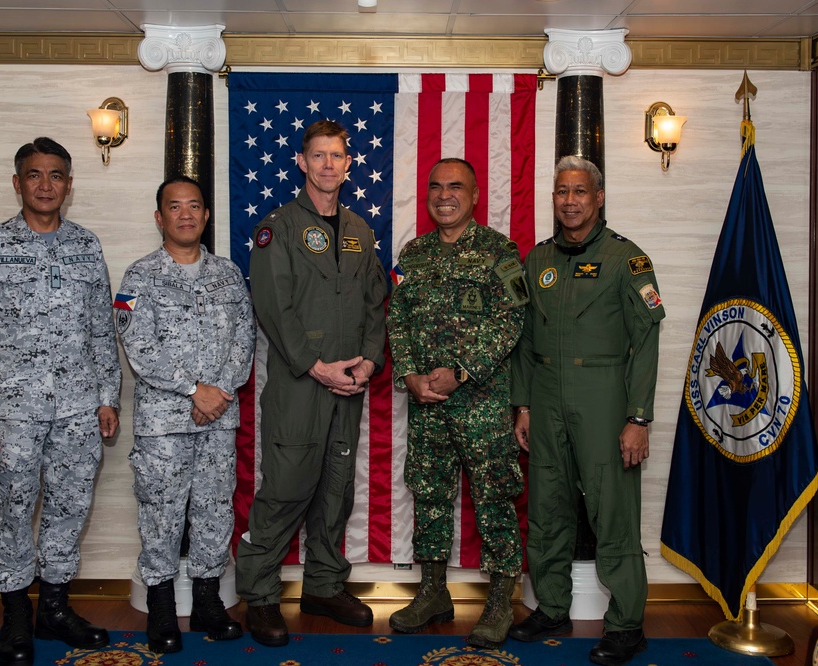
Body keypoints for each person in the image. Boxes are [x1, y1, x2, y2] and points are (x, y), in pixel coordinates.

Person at [0, 137, 121, 666]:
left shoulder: (86, 246)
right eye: (34, 175)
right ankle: (16, 618)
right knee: (15, 509)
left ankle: (53, 608)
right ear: (17, 182)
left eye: (55, 176)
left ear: (69, 185)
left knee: (70, 509)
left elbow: (101, 330)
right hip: (13, 411)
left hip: (77, 408)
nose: (45, 185)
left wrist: (107, 397)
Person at [236, 119, 387, 647]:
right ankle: (259, 595)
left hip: (349, 384)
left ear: (349, 165)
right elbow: (273, 309)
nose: (327, 164)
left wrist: (368, 362)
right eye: (318, 155)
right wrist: (317, 366)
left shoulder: (360, 230)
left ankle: (324, 585)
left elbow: (375, 304)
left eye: (336, 156)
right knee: (285, 491)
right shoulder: (276, 228)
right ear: (301, 162)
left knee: (335, 492)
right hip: (301, 385)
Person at [510, 155, 665, 666]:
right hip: (547, 397)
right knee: (548, 509)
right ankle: (552, 606)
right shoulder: (538, 260)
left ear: (599, 198)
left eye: (580, 191)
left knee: (612, 513)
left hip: (604, 399)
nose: (570, 200)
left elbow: (646, 342)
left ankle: (626, 624)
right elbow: (526, 339)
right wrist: (524, 404)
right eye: (561, 192)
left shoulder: (628, 260)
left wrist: (638, 417)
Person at [386, 158, 528, 649]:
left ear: (474, 195)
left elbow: (512, 320)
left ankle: (499, 601)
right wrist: (408, 374)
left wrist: (461, 371)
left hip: (482, 403)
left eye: (455, 187)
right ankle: (432, 593)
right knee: (428, 495)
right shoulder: (415, 253)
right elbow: (397, 318)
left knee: (493, 498)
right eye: (435, 186)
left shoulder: (500, 251)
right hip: (427, 402)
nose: (444, 195)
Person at [115, 176, 255, 653]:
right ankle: (160, 608)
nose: (186, 214)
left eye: (194, 206)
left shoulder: (229, 275)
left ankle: (207, 601)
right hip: (163, 422)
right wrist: (195, 390)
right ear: (160, 218)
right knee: (161, 511)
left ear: (206, 215)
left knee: (215, 509)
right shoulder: (139, 277)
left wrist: (220, 393)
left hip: (219, 418)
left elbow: (245, 338)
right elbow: (138, 347)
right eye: (175, 207)